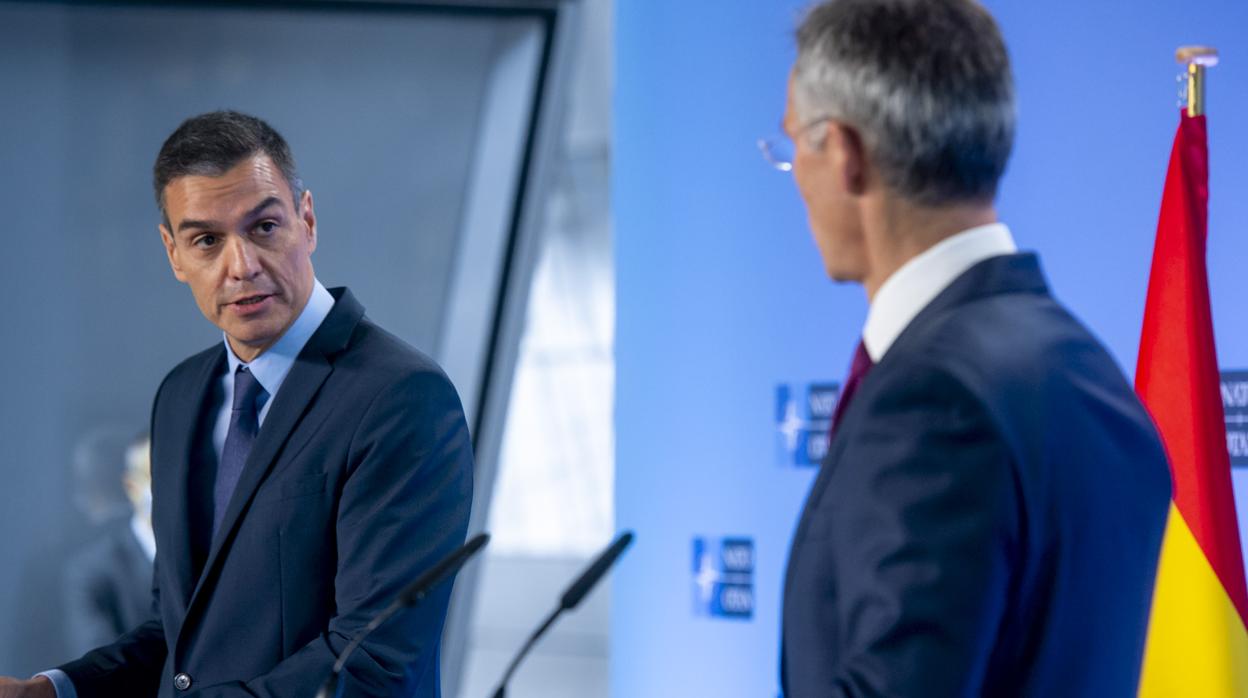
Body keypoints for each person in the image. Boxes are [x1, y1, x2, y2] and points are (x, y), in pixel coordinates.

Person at [0, 111, 473, 698]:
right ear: (174, 254)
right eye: (206, 240)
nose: (241, 265)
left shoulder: (402, 398)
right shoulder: (180, 396)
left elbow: (371, 661)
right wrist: (52, 691)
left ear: (306, 219)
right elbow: (177, 634)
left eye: (265, 227)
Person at [774, 1, 1171, 695]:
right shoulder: (1091, 374)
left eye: (793, 147)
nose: (795, 180)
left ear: (844, 153)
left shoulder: (933, 401)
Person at [63, 434, 156, 657]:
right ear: (132, 487)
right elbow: (98, 663)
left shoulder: (208, 551)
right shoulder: (91, 571)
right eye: (157, 475)